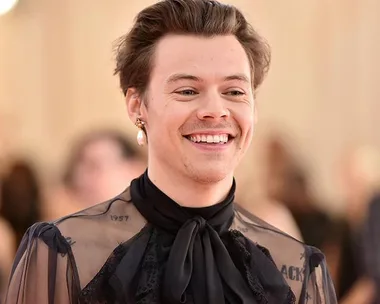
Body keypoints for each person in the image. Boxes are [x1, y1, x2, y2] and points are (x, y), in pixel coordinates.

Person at [4, 0, 337, 303]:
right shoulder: (62, 252)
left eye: (234, 91)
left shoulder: (298, 267)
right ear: (137, 106)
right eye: (188, 90)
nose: (215, 110)